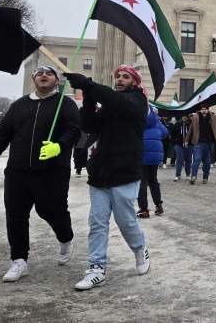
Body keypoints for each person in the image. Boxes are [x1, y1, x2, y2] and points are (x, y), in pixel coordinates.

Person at [0, 66, 80, 283]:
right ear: (34, 79)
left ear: (56, 81)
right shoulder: (19, 105)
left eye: (49, 74)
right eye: (39, 74)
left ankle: (65, 238)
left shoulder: (65, 103)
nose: (44, 76)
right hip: (18, 170)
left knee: (51, 211)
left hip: (52, 171)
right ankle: (19, 260)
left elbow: (74, 130)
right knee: (15, 216)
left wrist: (59, 146)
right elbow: (3, 134)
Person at [65, 65, 152, 290]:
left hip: (125, 171)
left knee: (125, 220)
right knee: (97, 222)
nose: (120, 80)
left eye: (125, 77)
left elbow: (118, 101)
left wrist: (88, 84)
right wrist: (87, 101)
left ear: (134, 82)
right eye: (117, 77)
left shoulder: (138, 101)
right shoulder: (108, 105)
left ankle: (139, 247)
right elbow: (90, 125)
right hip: (100, 172)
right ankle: (96, 269)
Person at [139, 109, 169, 218]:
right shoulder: (157, 121)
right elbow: (165, 133)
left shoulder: (139, 120)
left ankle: (144, 209)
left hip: (142, 154)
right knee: (153, 179)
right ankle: (159, 205)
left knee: (142, 181)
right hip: (155, 155)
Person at [186, 105, 216, 184]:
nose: (204, 111)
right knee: (196, 159)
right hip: (198, 142)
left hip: (209, 143)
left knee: (207, 161)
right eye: (202, 109)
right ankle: (193, 176)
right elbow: (190, 130)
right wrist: (186, 140)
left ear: (208, 110)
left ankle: (205, 177)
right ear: (200, 110)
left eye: (205, 109)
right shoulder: (196, 118)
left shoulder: (213, 117)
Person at [170, 114, 192, 181]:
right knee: (179, 159)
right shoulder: (177, 125)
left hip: (189, 145)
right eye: (183, 116)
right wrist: (174, 144)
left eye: (186, 116)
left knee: (188, 160)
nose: (184, 117)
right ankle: (177, 174)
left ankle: (188, 174)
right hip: (178, 145)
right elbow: (172, 135)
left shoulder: (190, 125)